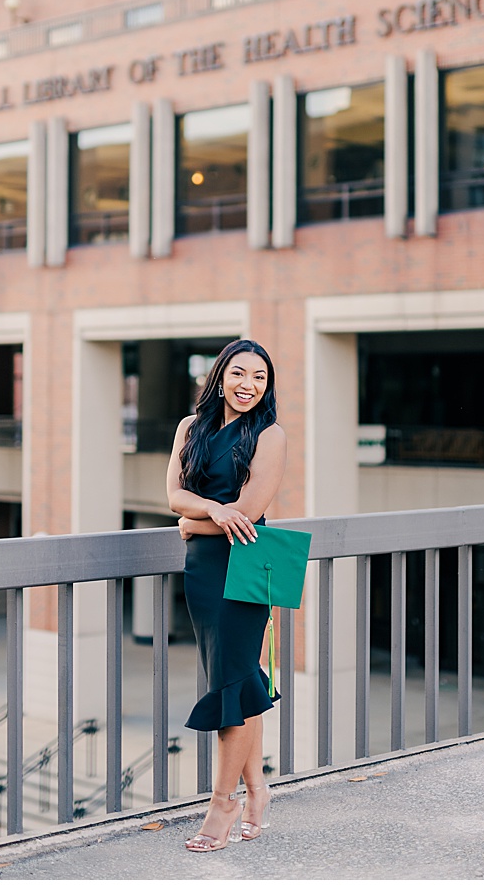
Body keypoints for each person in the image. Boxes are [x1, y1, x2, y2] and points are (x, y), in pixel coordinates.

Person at [165, 338, 288, 853]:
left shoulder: (270, 434)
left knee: (232, 682)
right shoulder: (190, 429)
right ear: (219, 376)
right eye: (239, 374)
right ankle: (258, 790)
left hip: (251, 563)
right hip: (204, 571)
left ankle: (222, 803)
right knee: (239, 678)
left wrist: (194, 525)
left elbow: (252, 510)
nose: (248, 386)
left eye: (259, 378)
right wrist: (210, 513)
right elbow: (174, 496)